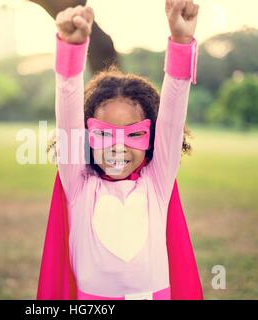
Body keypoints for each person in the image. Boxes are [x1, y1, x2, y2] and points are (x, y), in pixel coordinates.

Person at [37, 0, 203, 300]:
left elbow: (173, 113)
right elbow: (67, 105)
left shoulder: (157, 183)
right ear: (86, 137)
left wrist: (181, 42)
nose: (117, 147)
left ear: (150, 138)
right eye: (103, 134)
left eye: (134, 134)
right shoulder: (78, 185)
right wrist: (71, 50)